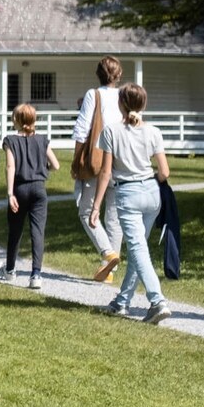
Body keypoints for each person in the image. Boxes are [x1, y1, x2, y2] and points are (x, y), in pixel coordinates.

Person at [91, 83, 173, 325]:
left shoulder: (111, 131)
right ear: (143, 104)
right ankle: (122, 302)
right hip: (151, 193)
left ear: (121, 104)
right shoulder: (154, 132)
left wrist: (96, 206)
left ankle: (157, 301)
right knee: (140, 251)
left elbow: (106, 172)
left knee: (138, 251)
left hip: (128, 194)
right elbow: (165, 172)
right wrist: (150, 180)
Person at [70, 56, 125, 283]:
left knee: (86, 211)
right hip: (121, 160)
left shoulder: (94, 95)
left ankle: (107, 253)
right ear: (118, 74)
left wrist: (76, 160)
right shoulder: (124, 95)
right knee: (114, 217)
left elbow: (83, 129)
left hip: (99, 159)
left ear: (98, 74)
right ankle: (108, 271)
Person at [0, 103, 59, 289]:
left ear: (16, 120)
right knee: (37, 232)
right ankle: (36, 274)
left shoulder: (10, 140)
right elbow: (56, 165)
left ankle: (10, 270)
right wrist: (42, 167)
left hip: (20, 189)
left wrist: (10, 193)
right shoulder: (42, 140)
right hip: (39, 190)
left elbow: (11, 167)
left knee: (15, 231)